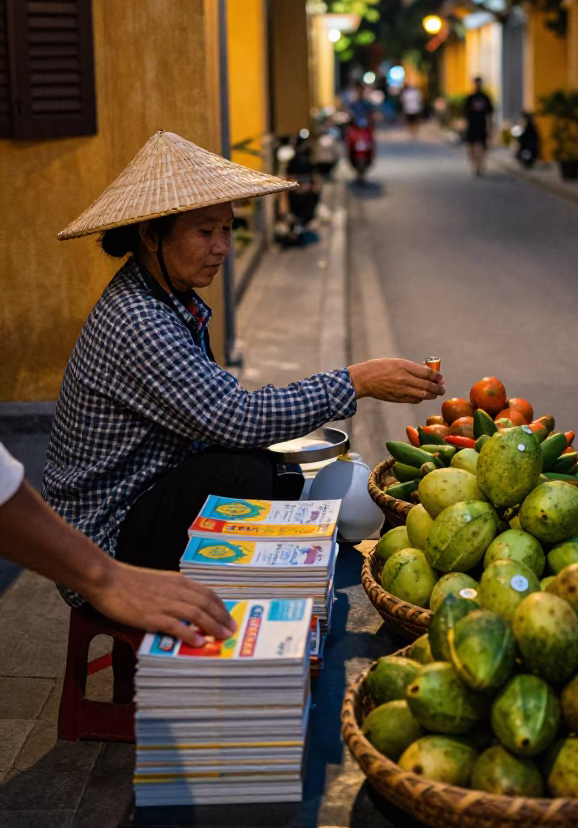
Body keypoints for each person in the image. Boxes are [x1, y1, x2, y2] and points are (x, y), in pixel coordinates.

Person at [43, 130, 444, 605]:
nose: (222, 247)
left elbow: (223, 413)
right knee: (245, 475)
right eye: (204, 231)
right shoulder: (139, 319)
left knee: (265, 467)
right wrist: (357, 381)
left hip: (147, 496)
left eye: (227, 229)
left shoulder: (167, 297)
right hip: (101, 545)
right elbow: (236, 417)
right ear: (152, 236)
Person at [0, 443, 233, 645]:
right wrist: (107, 578)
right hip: (104, 532)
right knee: (238, 471)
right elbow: (235, 417)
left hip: (115, 523)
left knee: (246, 463)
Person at [464, 77, 495, 175]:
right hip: (475, 125)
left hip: (479, 125)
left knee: (478, 146)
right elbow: (465, 114)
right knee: (474, 146)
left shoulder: (481, 98)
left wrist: (490, 128)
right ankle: (476, 164)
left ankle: (478, 165)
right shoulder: (472, 97)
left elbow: (489, 114)